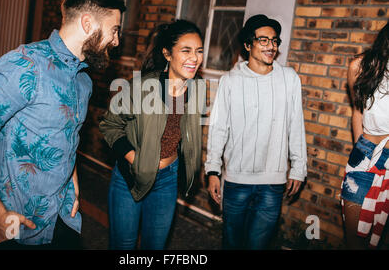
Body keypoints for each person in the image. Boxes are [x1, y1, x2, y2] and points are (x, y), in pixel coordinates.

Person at [0, 0, 125, 249]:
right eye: (114, 30)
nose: (116, 40)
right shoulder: (25, 64)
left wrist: (72, 179)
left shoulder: (84, 81)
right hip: (16, 227)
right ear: (88, 24)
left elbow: (67, 135)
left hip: (62, 218)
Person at [99, 19, 206, 250]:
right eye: (186, 50)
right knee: (124, 246)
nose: (194, 58)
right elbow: (110, 125)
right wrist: (136, 161)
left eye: (199, 51)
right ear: (168, 54)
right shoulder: (141, 87)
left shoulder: (196, 89)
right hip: (130, 177)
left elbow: (184, 132)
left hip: (167, 180)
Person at [205, 14, 307, 250]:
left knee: (257, 246)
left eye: (274, 40)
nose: (271, 46)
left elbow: (296, 125)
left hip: (273, 182)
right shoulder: (230, 81)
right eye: (263, 40)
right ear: (248, 45)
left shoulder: (289, 78)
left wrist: (299, 168)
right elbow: (219, 128)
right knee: (232, 244)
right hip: (236, 180)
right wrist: (212, 170)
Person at [341, 22, 389, 249]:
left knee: (379, 241)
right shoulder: (359, 66)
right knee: (353, 238)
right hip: (365, 153)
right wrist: (361, 151)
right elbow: (357, 112)